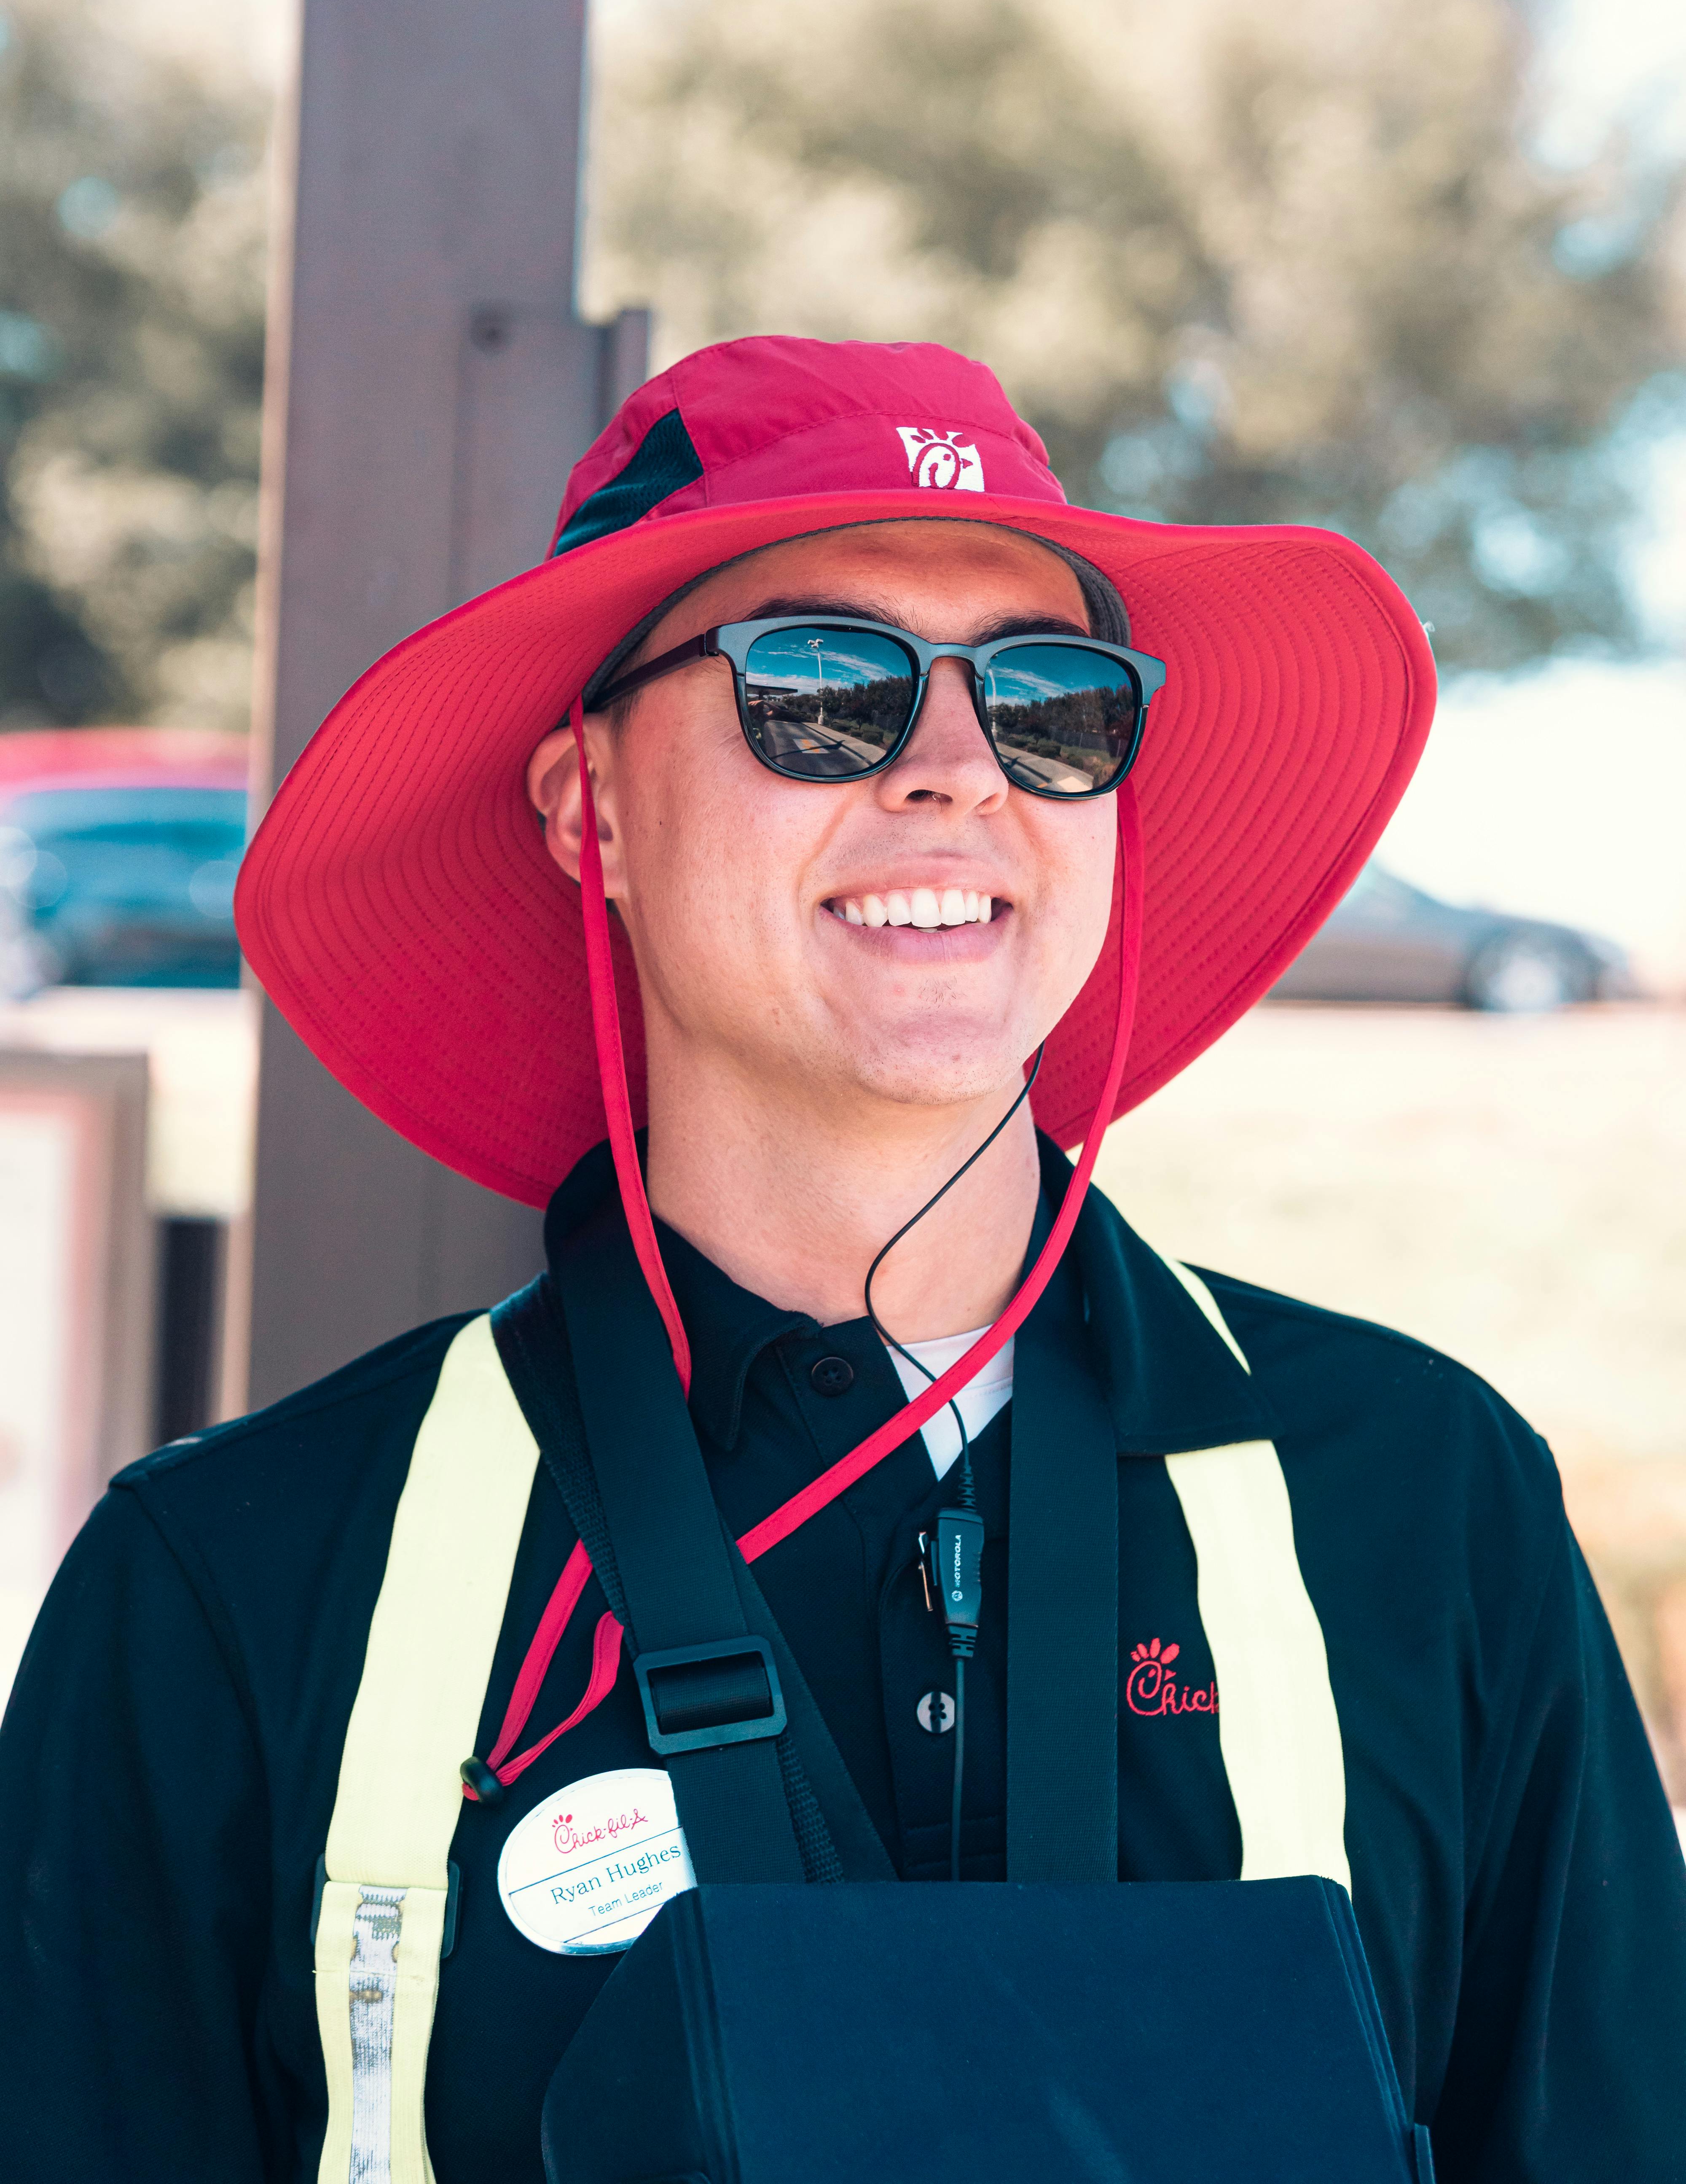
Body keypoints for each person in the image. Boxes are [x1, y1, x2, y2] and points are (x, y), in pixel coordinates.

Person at [1, 336, 1681, 2183]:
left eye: (1052, 702)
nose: (961, 774)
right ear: (594, 810)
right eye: (822, 687)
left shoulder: (1429, 1508)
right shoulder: (227, 1588)